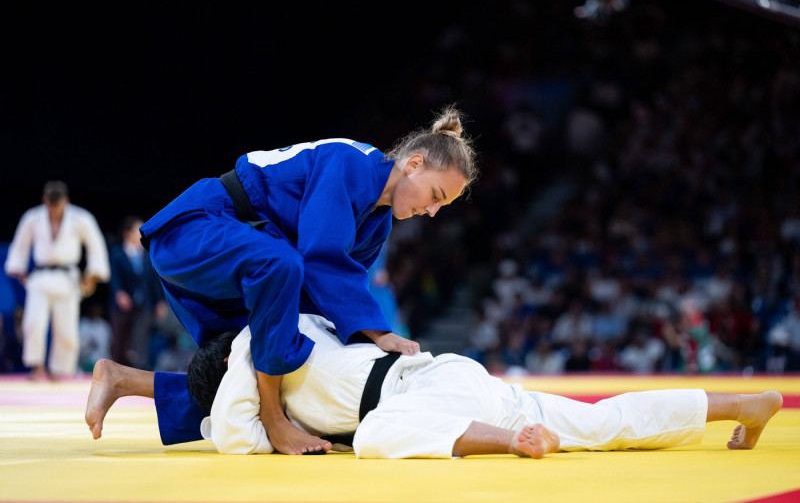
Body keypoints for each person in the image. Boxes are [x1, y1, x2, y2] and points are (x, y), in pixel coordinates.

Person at [132, 104, 479, 454]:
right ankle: (272, 419)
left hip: (240, 267)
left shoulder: (378, 224)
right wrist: (379, 332)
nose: (431, 211)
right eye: (435, 195)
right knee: (284, 267)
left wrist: (356, 352)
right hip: (195, 231)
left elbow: (320, 300)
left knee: (257, 370)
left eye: (441, 207)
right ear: (414, 164)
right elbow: (319, 259)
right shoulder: (351, 163)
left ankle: (121, 380)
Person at [85, 313, 783, 459]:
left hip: (415, 402)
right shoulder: (290, 318)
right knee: (599, 423)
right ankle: (738, 403)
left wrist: (214, 420)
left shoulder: (243, 367)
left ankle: (513, 441)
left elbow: (238, 438)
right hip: (447, 372)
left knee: (374, 438)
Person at [4, 180, 110, 380]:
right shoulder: (33, 217)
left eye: (57, 204)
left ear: (66, 201)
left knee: (66, 327)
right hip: (40, 277)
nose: (53, 209)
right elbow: (20, 245)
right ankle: (37, 366)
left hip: (67, 278)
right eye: (50, 204)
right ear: (44, 201)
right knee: (33, 323)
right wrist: (18, 269)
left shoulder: (80, 218)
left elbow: (96, 246)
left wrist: (93, 275)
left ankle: (60, 370)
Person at [108, 215, 167, 369]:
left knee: (142, 338)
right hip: (122, 303)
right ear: (127, 233)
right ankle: (118, 370)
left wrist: (159, 301)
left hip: (144, 302)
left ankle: (141, 370)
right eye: (137, 231)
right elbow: (114, 278)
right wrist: (119, 293)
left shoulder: (146, 256)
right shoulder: (117, 253)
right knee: (120, 338)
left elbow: (154, 281)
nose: (140, 235)